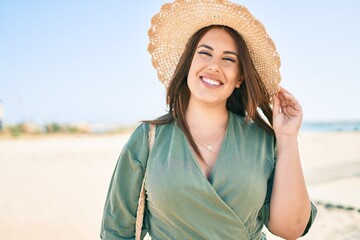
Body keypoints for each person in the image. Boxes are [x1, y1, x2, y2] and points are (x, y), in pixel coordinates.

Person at [100, 1, 317, 239]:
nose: (213, 65)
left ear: (239, 78)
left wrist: (287, 139)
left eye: (228, 59)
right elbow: (116, 232)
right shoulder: (148, 138)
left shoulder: (264, 141)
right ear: (188, 64)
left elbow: (290, 228)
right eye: (204, 53)